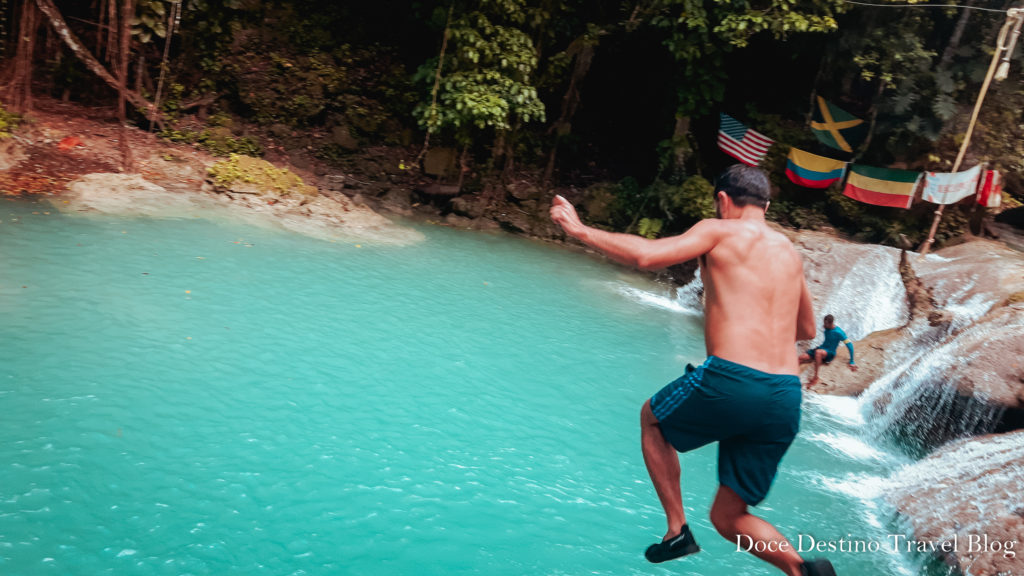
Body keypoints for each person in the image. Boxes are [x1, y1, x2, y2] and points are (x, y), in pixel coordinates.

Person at [549, 165, 836, 576]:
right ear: (767, 206)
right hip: (786, 395)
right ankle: (802, 571)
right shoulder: (789, 251)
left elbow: (646, 255)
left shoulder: (718, 230)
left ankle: (676, 530)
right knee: (729, 516)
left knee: (652, 418)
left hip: (735, 377)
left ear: (722, 200)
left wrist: (579, 230)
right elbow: (807, 329)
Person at [798, 314, 857, 387]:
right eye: (824, 323)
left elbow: (849, 344)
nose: (824, 325)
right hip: (821, 348)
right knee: (800, 358)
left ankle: (816, 378)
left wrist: (852, 361)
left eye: (826, 324)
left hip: (830, 352)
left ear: (831, 323)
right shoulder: (826, 327)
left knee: (818, 353)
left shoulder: (839, 332)